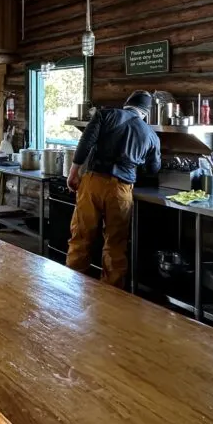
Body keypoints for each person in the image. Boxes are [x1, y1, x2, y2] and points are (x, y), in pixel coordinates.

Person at [65, 91, 160, 288]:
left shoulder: (105, 115)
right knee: (116, 245)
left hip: (92, 183)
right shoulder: (151, 134)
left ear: (127, 104)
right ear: (145, 113)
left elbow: (85, 143)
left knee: (81, 237)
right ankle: (111, 296)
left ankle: (72, 288)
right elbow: (153, 168)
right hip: (121, 189)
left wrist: (73, 172)